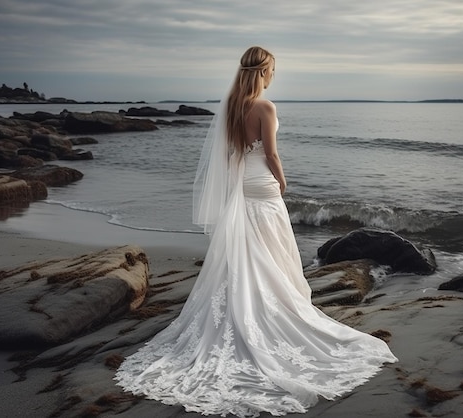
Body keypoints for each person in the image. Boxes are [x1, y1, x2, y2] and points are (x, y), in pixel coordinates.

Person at [115, 46, 398, 417]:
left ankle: (243, 308)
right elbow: (271, 154)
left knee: (248, 253)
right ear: (264, 70)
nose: (273, 76)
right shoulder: (264, 107)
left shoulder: (232, 105)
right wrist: (282, 181)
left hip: (240, 188)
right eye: (273, 70)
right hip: (261, 185)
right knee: (272, 251)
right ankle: (273, 311)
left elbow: (231, 154)